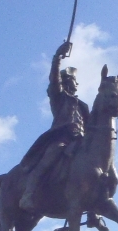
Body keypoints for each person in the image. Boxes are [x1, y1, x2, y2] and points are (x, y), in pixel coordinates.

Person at [18, 40, 90, 210]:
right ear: (66, 83)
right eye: (73, 80)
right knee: (52, 154)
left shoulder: (82, 105)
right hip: (62, 138)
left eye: (75, 81)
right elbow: (54, 80)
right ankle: (29, 192)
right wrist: (57, 57)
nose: (76, 83)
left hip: (80, 141)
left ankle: (94, 208)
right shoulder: (59, 97)